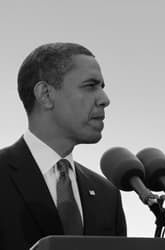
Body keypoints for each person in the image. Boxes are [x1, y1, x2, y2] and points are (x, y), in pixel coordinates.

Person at [0, 43, 127, 250]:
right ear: (46, 95)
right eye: (90, 86)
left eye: (102, 88)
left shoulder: (107, 195)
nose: (104, 99)